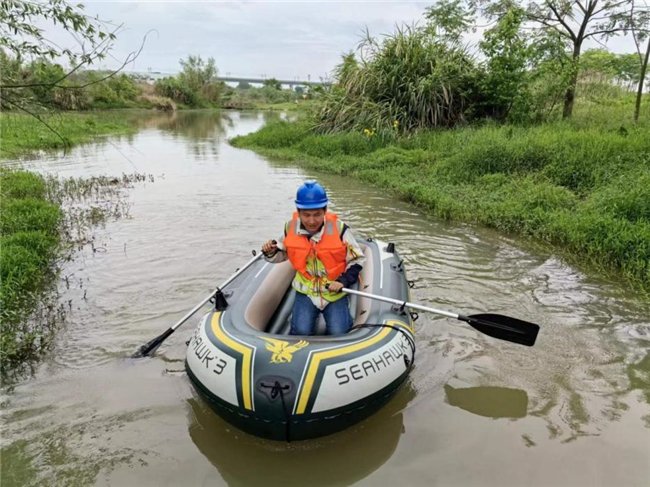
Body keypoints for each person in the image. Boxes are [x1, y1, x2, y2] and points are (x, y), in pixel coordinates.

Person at [262, 180, 364, 336]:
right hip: (306, 290)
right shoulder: (290, 228)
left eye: (317, 214)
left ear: (325, 211)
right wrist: (270, 252)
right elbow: (282, 255)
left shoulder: (339, 229)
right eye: (306, 215)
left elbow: (357, 259)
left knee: (339, 331)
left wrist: (342, 281)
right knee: (301, 331)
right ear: (299, 212)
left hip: (334, 290)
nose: (311, 220)